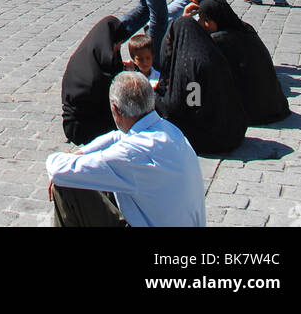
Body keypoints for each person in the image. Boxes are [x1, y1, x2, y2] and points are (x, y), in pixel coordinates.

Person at [46, 72, 206, 228]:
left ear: (115, 109)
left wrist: (68, 159)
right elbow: (118, 136)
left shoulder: (132, 154)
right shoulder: (169, 130)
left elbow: (58, 170)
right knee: (84, 177)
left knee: (66, 184)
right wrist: (80, 154)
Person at [154, 15, 247, 155]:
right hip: (232, 129)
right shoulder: (211, 53)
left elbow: (192, 106)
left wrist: (155, 98)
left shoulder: (191, 65)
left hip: (210, 138)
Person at [195, 0, 290, 125]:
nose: (201, 23)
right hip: (275, 106)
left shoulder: (218, 40)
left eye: (205, 20)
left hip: (249, 113)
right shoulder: (246, 29)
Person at [61, 16, 127, 145]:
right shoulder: (98, 74)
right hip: (83, 126)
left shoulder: (88, 56)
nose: (118, 48)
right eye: (117, 43)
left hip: (76, 121)